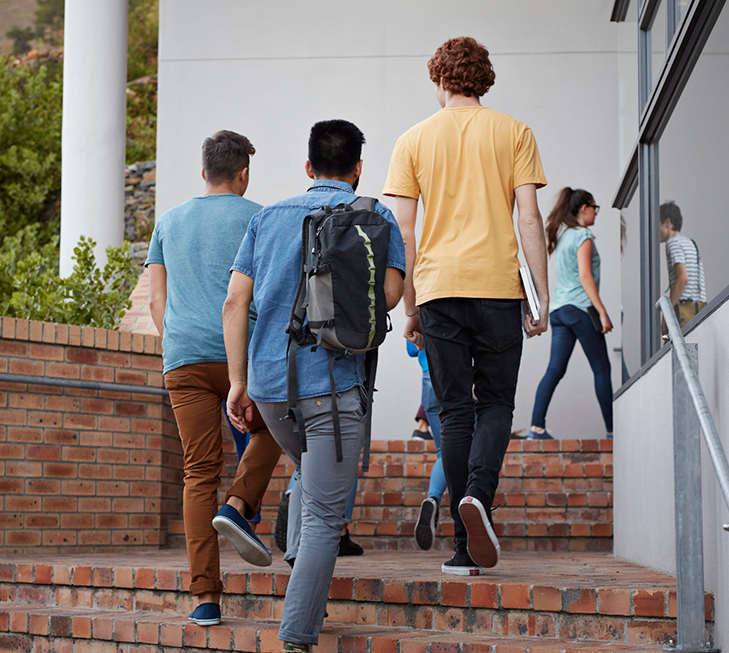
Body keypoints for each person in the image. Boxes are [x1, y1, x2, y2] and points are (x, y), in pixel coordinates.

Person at [224, 119, 404, 653]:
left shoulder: (266, 218)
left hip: (270, 387)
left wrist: (238, 382)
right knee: (326, 515)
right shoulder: (376, 215)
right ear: (358, 168)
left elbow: (235, 303)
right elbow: (390, 296)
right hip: (333, 381)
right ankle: (297, 637)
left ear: (308, 167)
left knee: (309, 474)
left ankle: (306, 582)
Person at [384, 36, 549, 575]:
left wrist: (410, 305)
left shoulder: (413, 140)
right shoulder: (515, 132)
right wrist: (541, 294)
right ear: (483, 80)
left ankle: (461, 547)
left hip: (438, 290)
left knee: (454, 411)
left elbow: (403, 233)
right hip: (498, 286)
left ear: (439, 79)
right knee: (496, 403)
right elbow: (529, 218)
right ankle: (479, 494)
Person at [145, 130, 283, 627]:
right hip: (242, 355)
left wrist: (179, 342)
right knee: (274, 430)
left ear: (204, 171)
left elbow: (156, 300)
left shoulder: (169, 221)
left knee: (198, 471)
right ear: (243, 173)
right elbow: (270, 294)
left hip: (183, 358)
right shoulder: (261, 218)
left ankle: (205, 597)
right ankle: (239, 503)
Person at [528, 188, 613, 441]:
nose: (596, 213)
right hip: (579, 309)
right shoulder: (583, 236)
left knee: (554, 370)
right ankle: (612, 432)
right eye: (594, 208)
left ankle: (536, 428)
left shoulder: (564, 237)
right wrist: (602, 313)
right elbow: (585, 277)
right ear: (584, 208)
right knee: (602, 368)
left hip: (559, 311)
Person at [408, 339, 447, 550]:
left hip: (429, 382)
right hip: (459, 378)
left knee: (444, 452)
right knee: (470, 449)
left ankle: (433, 499)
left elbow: (411, 349)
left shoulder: (419, 314)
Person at [659, 201, 707, 326]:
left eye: (658, 224)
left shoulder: (673, 243)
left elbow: (682, 278)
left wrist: (667, 315)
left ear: (667, 222)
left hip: (684, 310)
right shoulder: (690, 242)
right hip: (700, 308)